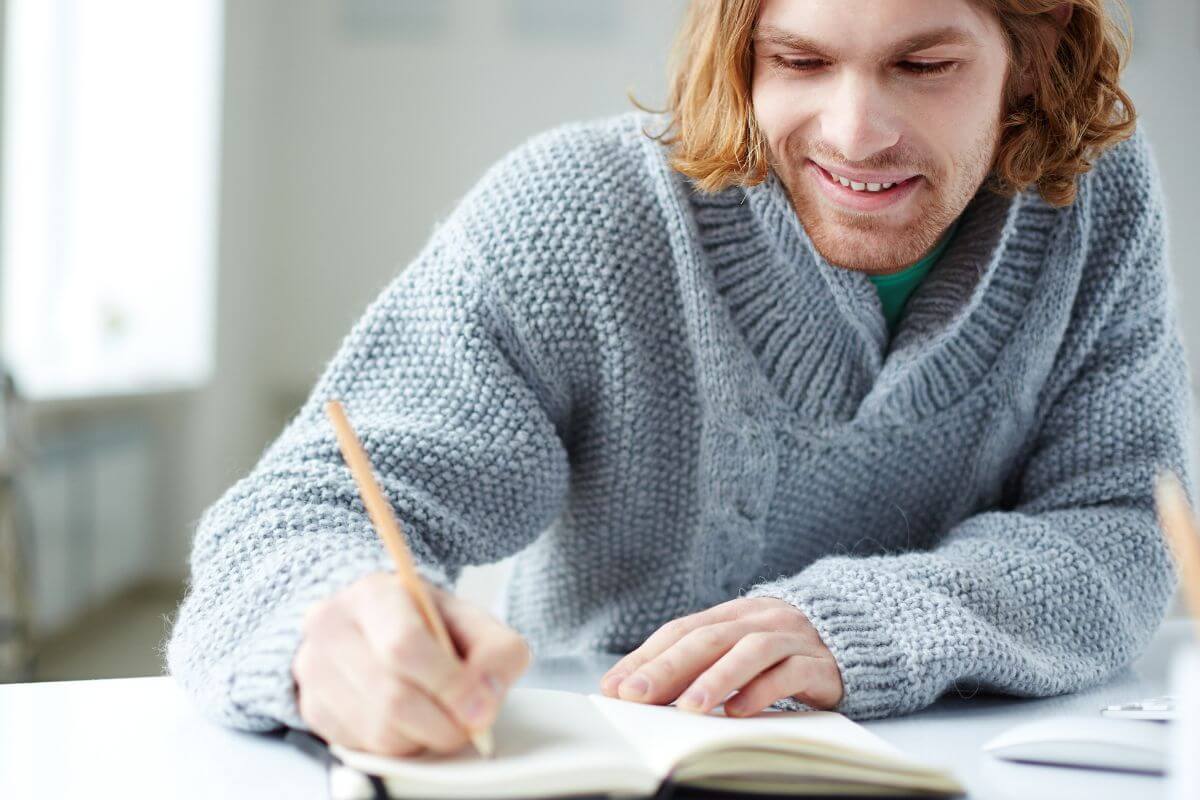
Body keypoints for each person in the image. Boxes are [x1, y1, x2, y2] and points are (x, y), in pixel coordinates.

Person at [166, 0, 1195, 759]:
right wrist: (326, 632)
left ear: (1034, 55)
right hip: (603, 761)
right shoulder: (581, 211)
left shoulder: (1089, 203)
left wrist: (867, 624)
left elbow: (1122, 522)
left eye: (925, 65)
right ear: (737, 53)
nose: (853, 133)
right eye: (798, 59)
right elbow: (298, 513)